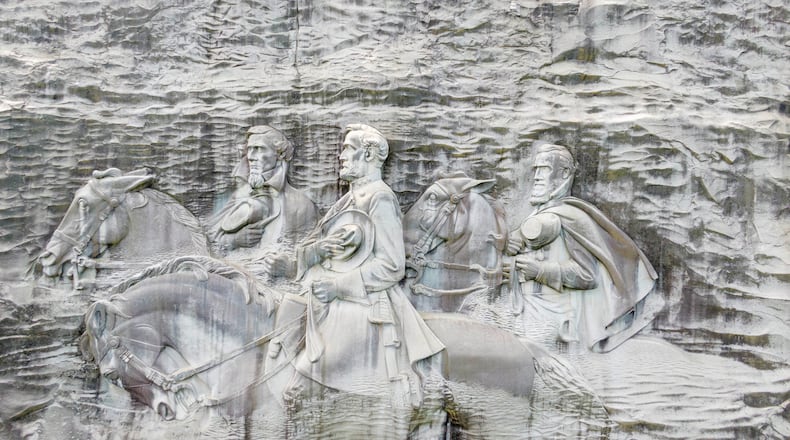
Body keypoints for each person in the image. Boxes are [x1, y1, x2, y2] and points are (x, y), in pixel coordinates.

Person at [263, 124, 445, 404]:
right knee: (285, 310)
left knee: (301, 385)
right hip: (326, 294)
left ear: (370, 155)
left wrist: (338, 286)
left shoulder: (379, 197)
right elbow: (327, 246)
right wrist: (292, 264)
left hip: (362, 302)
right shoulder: (348, 199)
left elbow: (392, 265)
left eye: (348, 148)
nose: (341, 155)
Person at [504, 143, 658, 352]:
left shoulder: (572, 216)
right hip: (522, 310)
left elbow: (587, 275)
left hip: (551, 319)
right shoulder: (538, 215)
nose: (537, 177)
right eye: (536, 170)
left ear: (564, 173)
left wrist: (540, 271)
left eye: (545, 169)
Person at [206, 126, 318, 255]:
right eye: (249, 149)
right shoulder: (240, 195)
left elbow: (311, 249)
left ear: (280, 153)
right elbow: (210, 240)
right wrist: (234, 240)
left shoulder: (301, 204)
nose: (250, 157)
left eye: (258, 149)